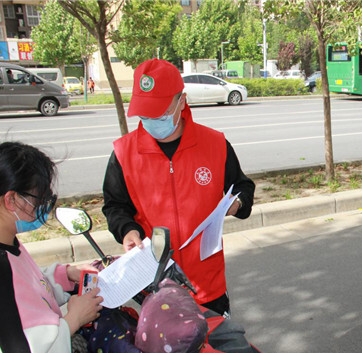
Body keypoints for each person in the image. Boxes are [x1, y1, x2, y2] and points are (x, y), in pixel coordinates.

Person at [102, 59, 255, 317]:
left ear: (181, 101)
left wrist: (237, 203)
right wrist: (127, 230)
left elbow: (243, 187)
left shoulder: (215, 144)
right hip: (155, 287)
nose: (151, 120)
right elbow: (115, 206)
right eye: (145, 113)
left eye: (159, 112)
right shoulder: (123, 153)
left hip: (208, 286)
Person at [0, 142, 104, 353]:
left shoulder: (6, 242)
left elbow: (27, 291)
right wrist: (73, 320)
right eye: (39, 199)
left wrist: (63, 275)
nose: (44, 206)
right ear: (11, 200)